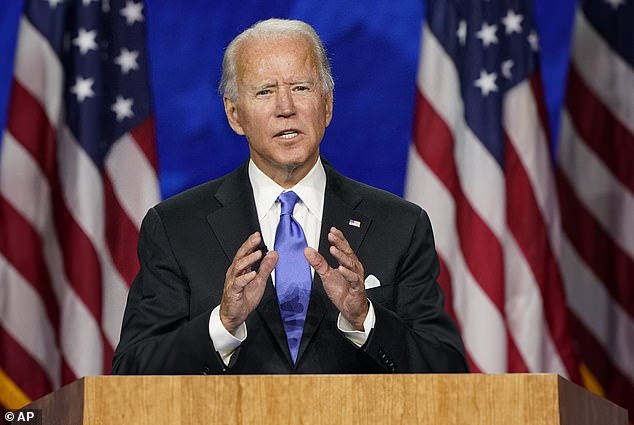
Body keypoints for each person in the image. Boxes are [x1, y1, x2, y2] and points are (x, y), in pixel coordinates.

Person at [112, 18, 468, 374]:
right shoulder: (176, 228)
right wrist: (222, 325)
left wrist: (365, 318)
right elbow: (132, 372)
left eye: (300, 87)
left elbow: (448, 373)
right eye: (265, 91)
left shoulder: (400, 226)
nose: (286, 107)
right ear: (234, 114)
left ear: (326, 105)